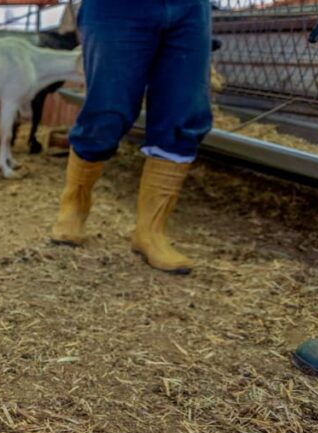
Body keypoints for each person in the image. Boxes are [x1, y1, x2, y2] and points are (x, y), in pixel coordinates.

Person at [49, 0, 214, 275]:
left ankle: (151, 232)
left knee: (182, 111)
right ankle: (74, 207)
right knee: (107, 111)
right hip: (117, 7)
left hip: (190, 7)